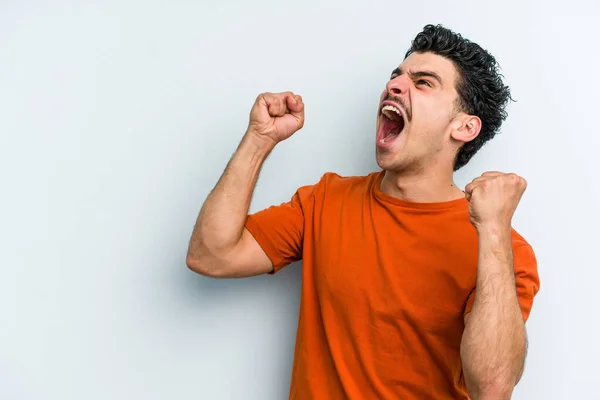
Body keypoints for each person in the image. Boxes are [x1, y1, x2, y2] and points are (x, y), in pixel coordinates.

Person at [186, 24, 541, 400]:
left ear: (464, 127)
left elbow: (492, 389)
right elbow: (211, 255)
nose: (395, 86)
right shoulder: (325, 201)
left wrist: (493, 230)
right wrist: (258, 141)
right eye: (396, 76)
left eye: (423, 83)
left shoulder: (505, 251)